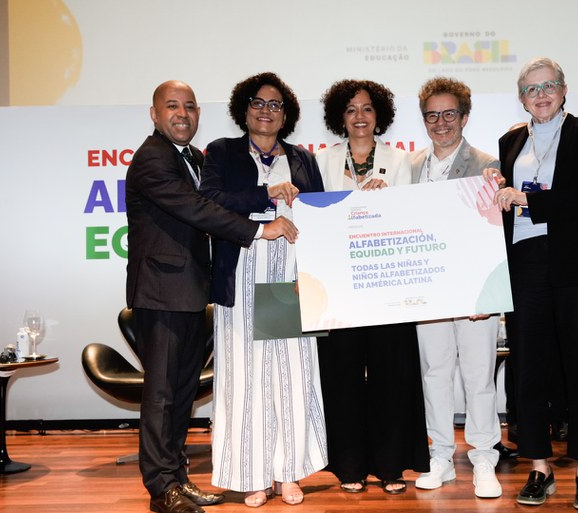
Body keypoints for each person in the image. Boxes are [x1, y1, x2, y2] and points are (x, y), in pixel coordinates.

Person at [125, 80, 298, 513]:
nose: (182, 114)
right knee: (162, 395)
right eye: (172, 106)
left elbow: (212, 202)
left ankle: (179, 478)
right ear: (154, 114)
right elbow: (197, 209)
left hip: (187, 293)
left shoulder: (194, 158)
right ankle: (162, 488)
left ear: (199, 114)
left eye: (189, 107)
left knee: (180, 393)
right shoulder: (152, 159)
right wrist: (260, 228)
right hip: (161, 295)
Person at [486, 57, 578, 511]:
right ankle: (539, 468)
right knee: (529, 370)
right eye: (531, 89)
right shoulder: (510, 141)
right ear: (520, 97)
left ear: (564, 90)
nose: (540, 95)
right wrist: (495, 187)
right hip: (525, 264)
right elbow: (502, 205)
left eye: (549, 86)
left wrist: (529, 198)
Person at [199, 72, 327, 508]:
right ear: (244, 108)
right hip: (242, 276)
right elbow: (209, 200)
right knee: (244, 380)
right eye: (258, 102)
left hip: (289, 281)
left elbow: (320, 214)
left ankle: (288, 473)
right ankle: (251, 475)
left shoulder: (303, 158)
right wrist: (264, 194)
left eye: (275, 104)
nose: (266, 110)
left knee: (291, 376)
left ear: (286, 114)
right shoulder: (221, 152)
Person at [315, 79, 430, 494]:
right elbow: (315, 218)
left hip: (387, 286)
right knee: (342, 376)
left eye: (366, 108)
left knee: (391, 374)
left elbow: (414, 217)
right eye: (351, 110)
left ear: (379, 114)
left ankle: (391, 465)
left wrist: (389, 201)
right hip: (339, 288)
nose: (359, 116)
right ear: (339, 118)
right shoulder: (323, 161)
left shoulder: (402, 162)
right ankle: (349, 465)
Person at [408, 76, 514, 499]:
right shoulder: (409, 167)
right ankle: (441, 458)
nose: (441, 122)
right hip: (427, 291)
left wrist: (490, 294)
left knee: (478, 377)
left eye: (449, 113)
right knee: (433, 374)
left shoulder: (488, 165)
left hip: (476, 293)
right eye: (432, 115)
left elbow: (496, 234)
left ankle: (484, 458)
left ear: (465, 117)